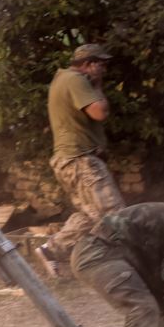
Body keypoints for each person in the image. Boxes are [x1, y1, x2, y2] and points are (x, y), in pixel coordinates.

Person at [37, 43, 126, 278]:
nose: (104, 69)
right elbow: (99, 112)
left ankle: (49, 251)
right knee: (115, 214)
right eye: (101, 65)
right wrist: (97, 84)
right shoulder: (76, 80)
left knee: (88, 217)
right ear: (88, 64)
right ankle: (126, 265)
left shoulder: (62, 79)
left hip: (70, 161)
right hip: (80, 161)